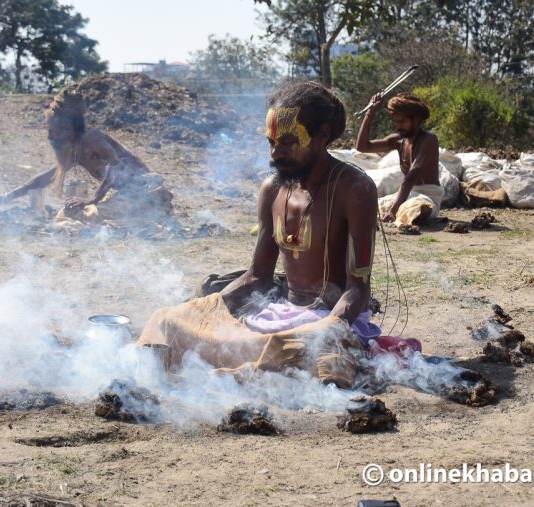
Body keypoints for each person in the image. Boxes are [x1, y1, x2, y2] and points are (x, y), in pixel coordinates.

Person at [137, 81, 382, 388]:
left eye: (288, 141)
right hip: (276, 318)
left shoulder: (355, 188)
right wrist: (205, 308)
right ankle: (249, 370)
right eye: (271, 142)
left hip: (328, 320)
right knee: (166, 320)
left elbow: (358, 286)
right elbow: (258, 277)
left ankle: (248, 372)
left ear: (321, 135)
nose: (275, 153)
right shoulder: (273, 189)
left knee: (317, 353)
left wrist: (331, 326)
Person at [0, 88, 173, 225]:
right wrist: (7, 197)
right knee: (75, 212)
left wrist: (93, 199)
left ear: (68, 128)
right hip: (128, 195)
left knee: (91, 213)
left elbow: (115, 165)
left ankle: (152, 213)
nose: (51, 136)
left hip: (145, 191)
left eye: (54, 130)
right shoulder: (75, 150)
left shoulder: (93, 138)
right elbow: (44, 178)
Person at [356, 92, 442, 225]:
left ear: (417, 120)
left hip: (428, 195)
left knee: (418, 209)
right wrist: (370, 112)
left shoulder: (429, 140)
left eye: (402, 121)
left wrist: (393, 210)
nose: (398, 126)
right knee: (366, 206)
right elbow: (363, 147)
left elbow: (411, 176)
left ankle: (401, 212)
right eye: (396, 121)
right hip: (406, 195)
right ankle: (398, 211)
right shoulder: (398, 140)